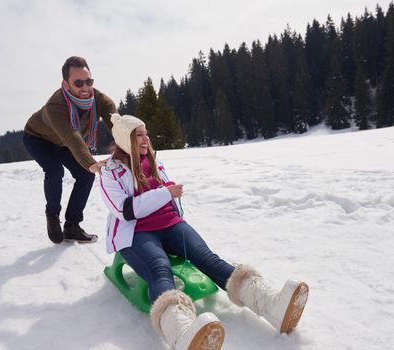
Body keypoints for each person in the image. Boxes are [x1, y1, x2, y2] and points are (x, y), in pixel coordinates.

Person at [99, 113, 309, 350]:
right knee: (160, 269)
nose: (145, 138)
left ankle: (270, 305)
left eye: (146, 133)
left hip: (171, 225)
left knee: (206, 257)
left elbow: (167, 195)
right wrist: (166, 193)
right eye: (138, 135)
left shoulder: (155, 162)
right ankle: (181, 332)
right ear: (125, 139)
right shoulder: (111, 171)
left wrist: (170, 200)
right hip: (136, 234)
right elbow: (126, 209)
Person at [23, 56, 117, 244]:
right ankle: (52, 217)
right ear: (65, 84)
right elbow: (72, 137)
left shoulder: (99, 100)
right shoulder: (55, 107)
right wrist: (91, 163)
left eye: (89, 81)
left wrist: (134, 148)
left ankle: (72, 225)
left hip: (62, 142)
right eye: (79, 82)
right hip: (38, 138)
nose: (85, 87)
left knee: (85, 175)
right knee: (55, 170)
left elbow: (118, 125)